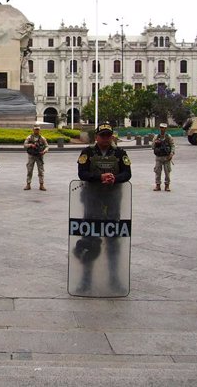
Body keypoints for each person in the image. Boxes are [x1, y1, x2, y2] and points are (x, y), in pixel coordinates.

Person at [75, 123, 132, 293]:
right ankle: (85, 282)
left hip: (112, 201)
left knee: (113, 242)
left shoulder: (120, 153)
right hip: (92, 201)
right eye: (102, 135)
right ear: (96, 136)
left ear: (112, 136)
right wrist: (100, 177)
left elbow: (127, 173)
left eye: (108, 135)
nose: (106, 138)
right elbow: (82, 173)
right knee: (89, 241)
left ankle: (114, 280)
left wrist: (115, 178)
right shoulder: (88, 152)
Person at [23, 125, 48, 191]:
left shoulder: (42, 138)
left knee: (41, 171)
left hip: (39, 156)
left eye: (38, 129)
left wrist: (44, 151)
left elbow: (47, 146)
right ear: (33, 130)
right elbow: (24, 145)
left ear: (39, 130)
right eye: (35, 129)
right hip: (31, 156)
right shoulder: (29, 137)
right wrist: (31, 145)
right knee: (29, 170)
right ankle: (28, 184)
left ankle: (41, 185)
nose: (37, 130)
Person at [152, 122, 175, 191]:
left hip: (166, 157)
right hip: (159, 157)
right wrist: (156, 143)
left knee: (167, 172)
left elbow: (172, 146)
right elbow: (153, 147)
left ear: (166, 128)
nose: (162, 129)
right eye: (161, 127)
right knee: (157, 172)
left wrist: (171, 154)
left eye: (163, 128)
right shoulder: (156, 136)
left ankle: (167, 185)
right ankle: (157, 185)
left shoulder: (168, 137)